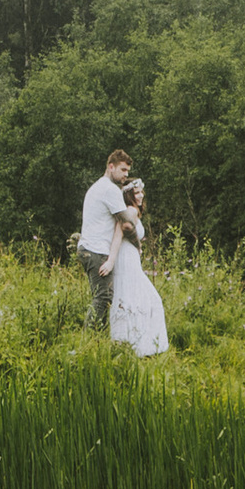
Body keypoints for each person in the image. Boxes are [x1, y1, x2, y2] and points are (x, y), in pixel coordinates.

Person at [108, 178, 170, 358]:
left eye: (141, 192)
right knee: (142, 300)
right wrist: (136, 244)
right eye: (136, 193)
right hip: (126, 258)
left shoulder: (131, 211)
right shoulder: (130, 210)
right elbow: (123, 229)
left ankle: (137, 345)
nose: (141, 195)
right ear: (129, 195)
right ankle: (138, 346)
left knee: (136, 299)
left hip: (130, 258)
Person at [77, 147, 136, 330]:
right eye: (123, 170)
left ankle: (97, 339)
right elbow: (125, 221)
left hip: (88, 248)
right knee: (102, 297)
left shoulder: (98, 186)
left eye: (128, 171)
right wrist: (137, 240)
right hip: (97, 250)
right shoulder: (110, 190)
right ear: (111, 167)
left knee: (102, 297)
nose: (126, 175)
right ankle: (87, 339)